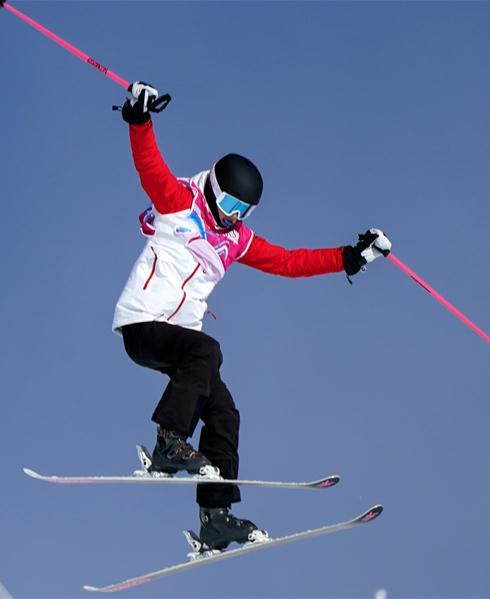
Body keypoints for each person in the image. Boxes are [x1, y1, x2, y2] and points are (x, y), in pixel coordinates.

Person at [112, 82, 392, 551]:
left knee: (224, 410)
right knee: (209, 350)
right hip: (143, 325)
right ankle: (169, 443)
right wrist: (140, 119)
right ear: (213, 190)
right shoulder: (177, 201)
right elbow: (149, 166)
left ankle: (216, 516)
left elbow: (288, 261)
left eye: (243, 211)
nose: (232, 216)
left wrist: (350, 257)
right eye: (228, 204)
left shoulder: (236, 239)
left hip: (181, 339)